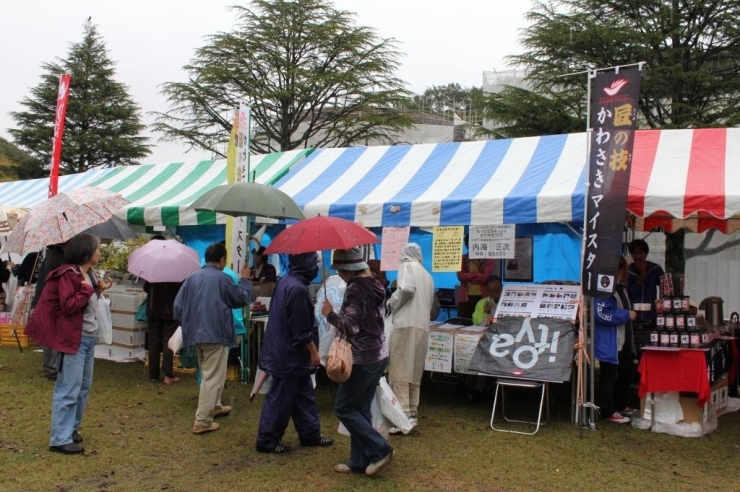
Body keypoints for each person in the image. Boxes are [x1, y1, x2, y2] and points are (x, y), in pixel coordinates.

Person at [25, 233, 106, 454]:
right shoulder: (68, 274)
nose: (99, 252)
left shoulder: (88, 274)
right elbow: (69, 306)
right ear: (86, 252)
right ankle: (59, 438)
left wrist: (97, 288)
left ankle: (71, 429)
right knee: (68, 388)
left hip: (87, 338)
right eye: (97, 248)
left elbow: (86, 301)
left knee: (83, 387)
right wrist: (88, 290)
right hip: (74, 340)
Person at [321, 248, 394, 476]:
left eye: (341, 271)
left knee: (343, 408)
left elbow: (350, 326)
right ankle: (358, 461)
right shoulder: (377, 284)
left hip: (361, 358)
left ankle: (380, 450)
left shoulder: (354, 289)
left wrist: (329, 314)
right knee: (361, 408)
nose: (340, 276)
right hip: (379, 354)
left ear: (348, 269)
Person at [256, 251, 334, 454]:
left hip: (288, 352)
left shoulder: (286, 281)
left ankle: (310, 435)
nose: (316, 266)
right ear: (306, 263)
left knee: (304, 395)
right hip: (290, 354)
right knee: (281, 398)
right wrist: (314, 352)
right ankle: (268, 440)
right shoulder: (297, 289)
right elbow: (300, 329)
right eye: (314, 262)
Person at [173, 242, 252, 435]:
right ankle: (202, 421)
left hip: (195, 334)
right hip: (215, 333)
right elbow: (241, 299)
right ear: (222, 259)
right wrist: (245, 280)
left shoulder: (191, 278)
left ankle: (214, 406)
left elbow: (177, 308)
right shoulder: (223, 278)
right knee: (212, 377)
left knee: (209, 373)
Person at [387, 243, 435, 431]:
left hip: (406, 323)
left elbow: (406, 289)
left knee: (399, 371)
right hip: (422, 326)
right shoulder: (428, 276)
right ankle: (412, 412)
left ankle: (402, 416)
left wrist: (391, 302)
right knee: (414, 373)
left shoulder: (407, 266)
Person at [595, 257, 637, 424]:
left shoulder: (621, 288)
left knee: (625, 375)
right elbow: (600, 314)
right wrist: (625, 315)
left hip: (624, 340)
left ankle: (620, 404)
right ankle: (607, 409)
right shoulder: (605, 289)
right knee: (609, 376)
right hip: (609, 342)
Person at [33, 244, 68, 381]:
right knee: (54, 336)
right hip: (52, 301)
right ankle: (52, 369)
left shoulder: (50, 256)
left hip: (45, 300)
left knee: (48, 336)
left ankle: (49, 367)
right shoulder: (59, 258)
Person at [143, 279, 182, 384]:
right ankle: (168, 375)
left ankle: (153, 375)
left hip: (153, 309)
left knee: (153, 342)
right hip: (169, 310)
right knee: (168, 342)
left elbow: (146, 288)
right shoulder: (177, 275)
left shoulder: (153, 273)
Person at [456, 236, 495, 319]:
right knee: (464, 323)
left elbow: (486, 278)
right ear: (466, 245)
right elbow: (460, 277)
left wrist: (468, 277)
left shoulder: (488, 259)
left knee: (486, 322)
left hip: (483, 297)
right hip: (465, 299)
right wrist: (476, 274)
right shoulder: (462, 259)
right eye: (470, 244)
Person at [626, 239, 664, 323]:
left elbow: (664, 287)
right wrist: (641, 278)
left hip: (651, 316)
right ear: (631, 255)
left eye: (640, 253)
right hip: (633, 316)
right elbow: (629, 293)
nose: (638, 256)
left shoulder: (655, 269)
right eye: (635, 253)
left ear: (646, 254)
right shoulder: (628, 271)